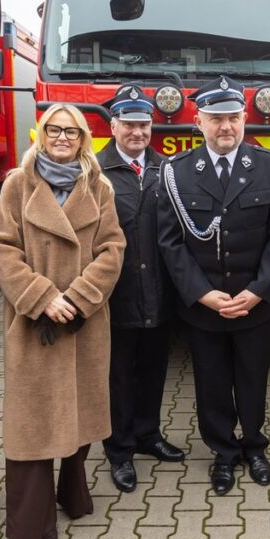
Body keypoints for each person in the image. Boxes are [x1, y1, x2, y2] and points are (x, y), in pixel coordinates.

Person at [0, 104, 125, 539]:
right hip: (35, 326)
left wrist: (80, 297)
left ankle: (73, 493)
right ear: (41, 134)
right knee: (32, 425)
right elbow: (2, 247)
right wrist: (43, 297)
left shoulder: (99, 187)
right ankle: (31, 523)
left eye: (71, 131)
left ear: (84, 138)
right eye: (54, 130)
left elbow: (112, 248)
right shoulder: (17, 184)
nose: (62, 137)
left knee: (80, 413)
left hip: (84, 323)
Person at [157, 76, 270, 495]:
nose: (226, 127)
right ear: (198, 121)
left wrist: (259, 289)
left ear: (244, 120)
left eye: (233, 118)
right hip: (205, 305)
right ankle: (223, 451)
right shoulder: (177, 173)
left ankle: (254, 446)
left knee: (254, 379)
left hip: (255, 301)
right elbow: (168, 241)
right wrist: (202, 294)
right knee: (212, 382)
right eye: (216, 119)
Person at [96, 86, 185, 493]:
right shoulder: (95, 171)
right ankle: (119, 449)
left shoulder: (166, 169)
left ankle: (149, 435)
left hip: (159, 293)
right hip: (116, 294)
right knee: (118, 376)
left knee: (154, 371)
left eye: (143, 124)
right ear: (113, 126)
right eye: (129, 124)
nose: (137, 132)